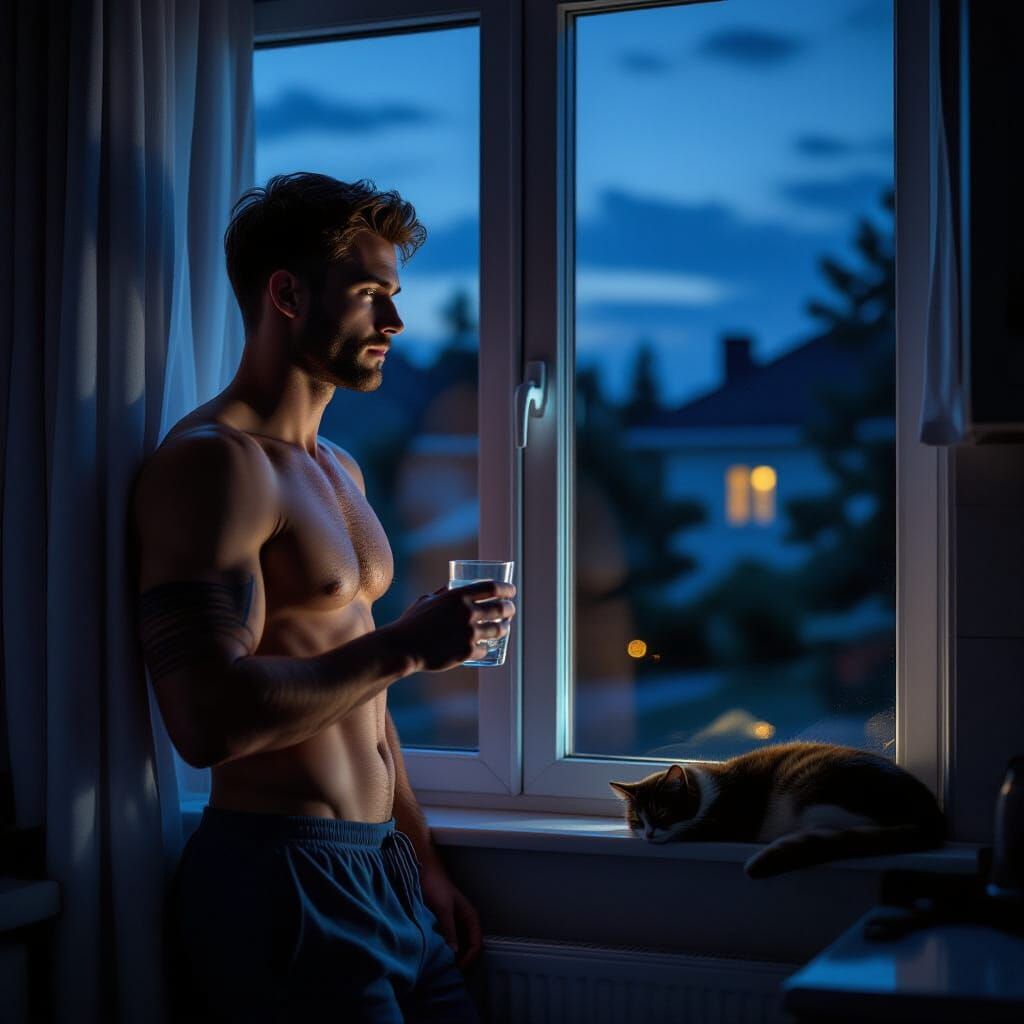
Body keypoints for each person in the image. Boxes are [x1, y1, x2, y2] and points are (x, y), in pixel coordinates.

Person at [130, 171, 516, 1022]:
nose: (395, 323)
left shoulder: (339, 469)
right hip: (279, 879)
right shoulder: (212, 465)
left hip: (383, 876)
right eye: (371, 294)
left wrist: (422, 863)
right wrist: (412, 645)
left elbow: (365, 704)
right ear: (287, 294)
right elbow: (205, 721)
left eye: (395, 295)